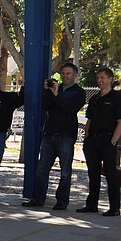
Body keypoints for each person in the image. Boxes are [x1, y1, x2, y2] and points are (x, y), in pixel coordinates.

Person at [22, 63, 88, 210]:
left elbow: (70, 108)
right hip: (49, 135)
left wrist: (57, 95)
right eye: (63, 73)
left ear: (75, 75)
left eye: (68, 74)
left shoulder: (79, 92)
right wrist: (48, 91)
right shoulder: (54, 90)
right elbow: (46, 106)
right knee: (41, 169)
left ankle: (62, 201)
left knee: (65, 171)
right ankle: (38, 198)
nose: (65, 76)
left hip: (66, 136)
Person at [77, 67, 121, 216]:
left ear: (110, 79)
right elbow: (89, 119)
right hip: (92, 141)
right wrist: (86, 136)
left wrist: (113, 142)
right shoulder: (94, 98)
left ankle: (114, 207)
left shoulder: (116, 98)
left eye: (102, 78)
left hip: (108, 140)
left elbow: (120, 122)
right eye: (98, 78)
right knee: (93, 174)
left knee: (111, 174)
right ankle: (91, 204)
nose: (99, 81)